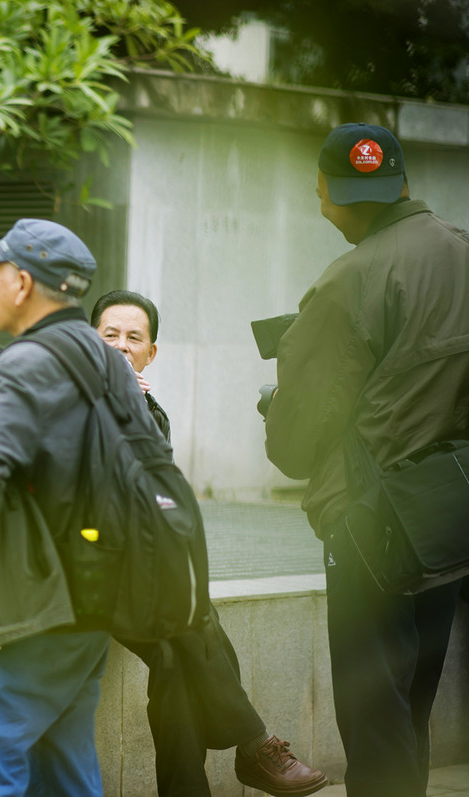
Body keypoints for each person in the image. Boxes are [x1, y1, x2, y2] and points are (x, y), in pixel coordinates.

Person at [264, 123, 469, 797]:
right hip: (449, 511)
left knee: (374, 714)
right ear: (406, 184)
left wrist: (276, 402)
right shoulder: (463, 251)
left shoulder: (346, 282)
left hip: (368, 521)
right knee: (413, 697)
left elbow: (293, 445)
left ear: (324, 194)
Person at [91, 290, 327, 797]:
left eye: (134, 338)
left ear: (150, 353)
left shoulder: (148, 410)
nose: (120, 347)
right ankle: (255, 745)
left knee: (178, 662)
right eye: (109, 335)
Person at [0, 218, 119, 795]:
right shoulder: (109, 360)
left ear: (22, 283)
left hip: (30, 603)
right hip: (99, 597)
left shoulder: (25, 362)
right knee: (63, 771)